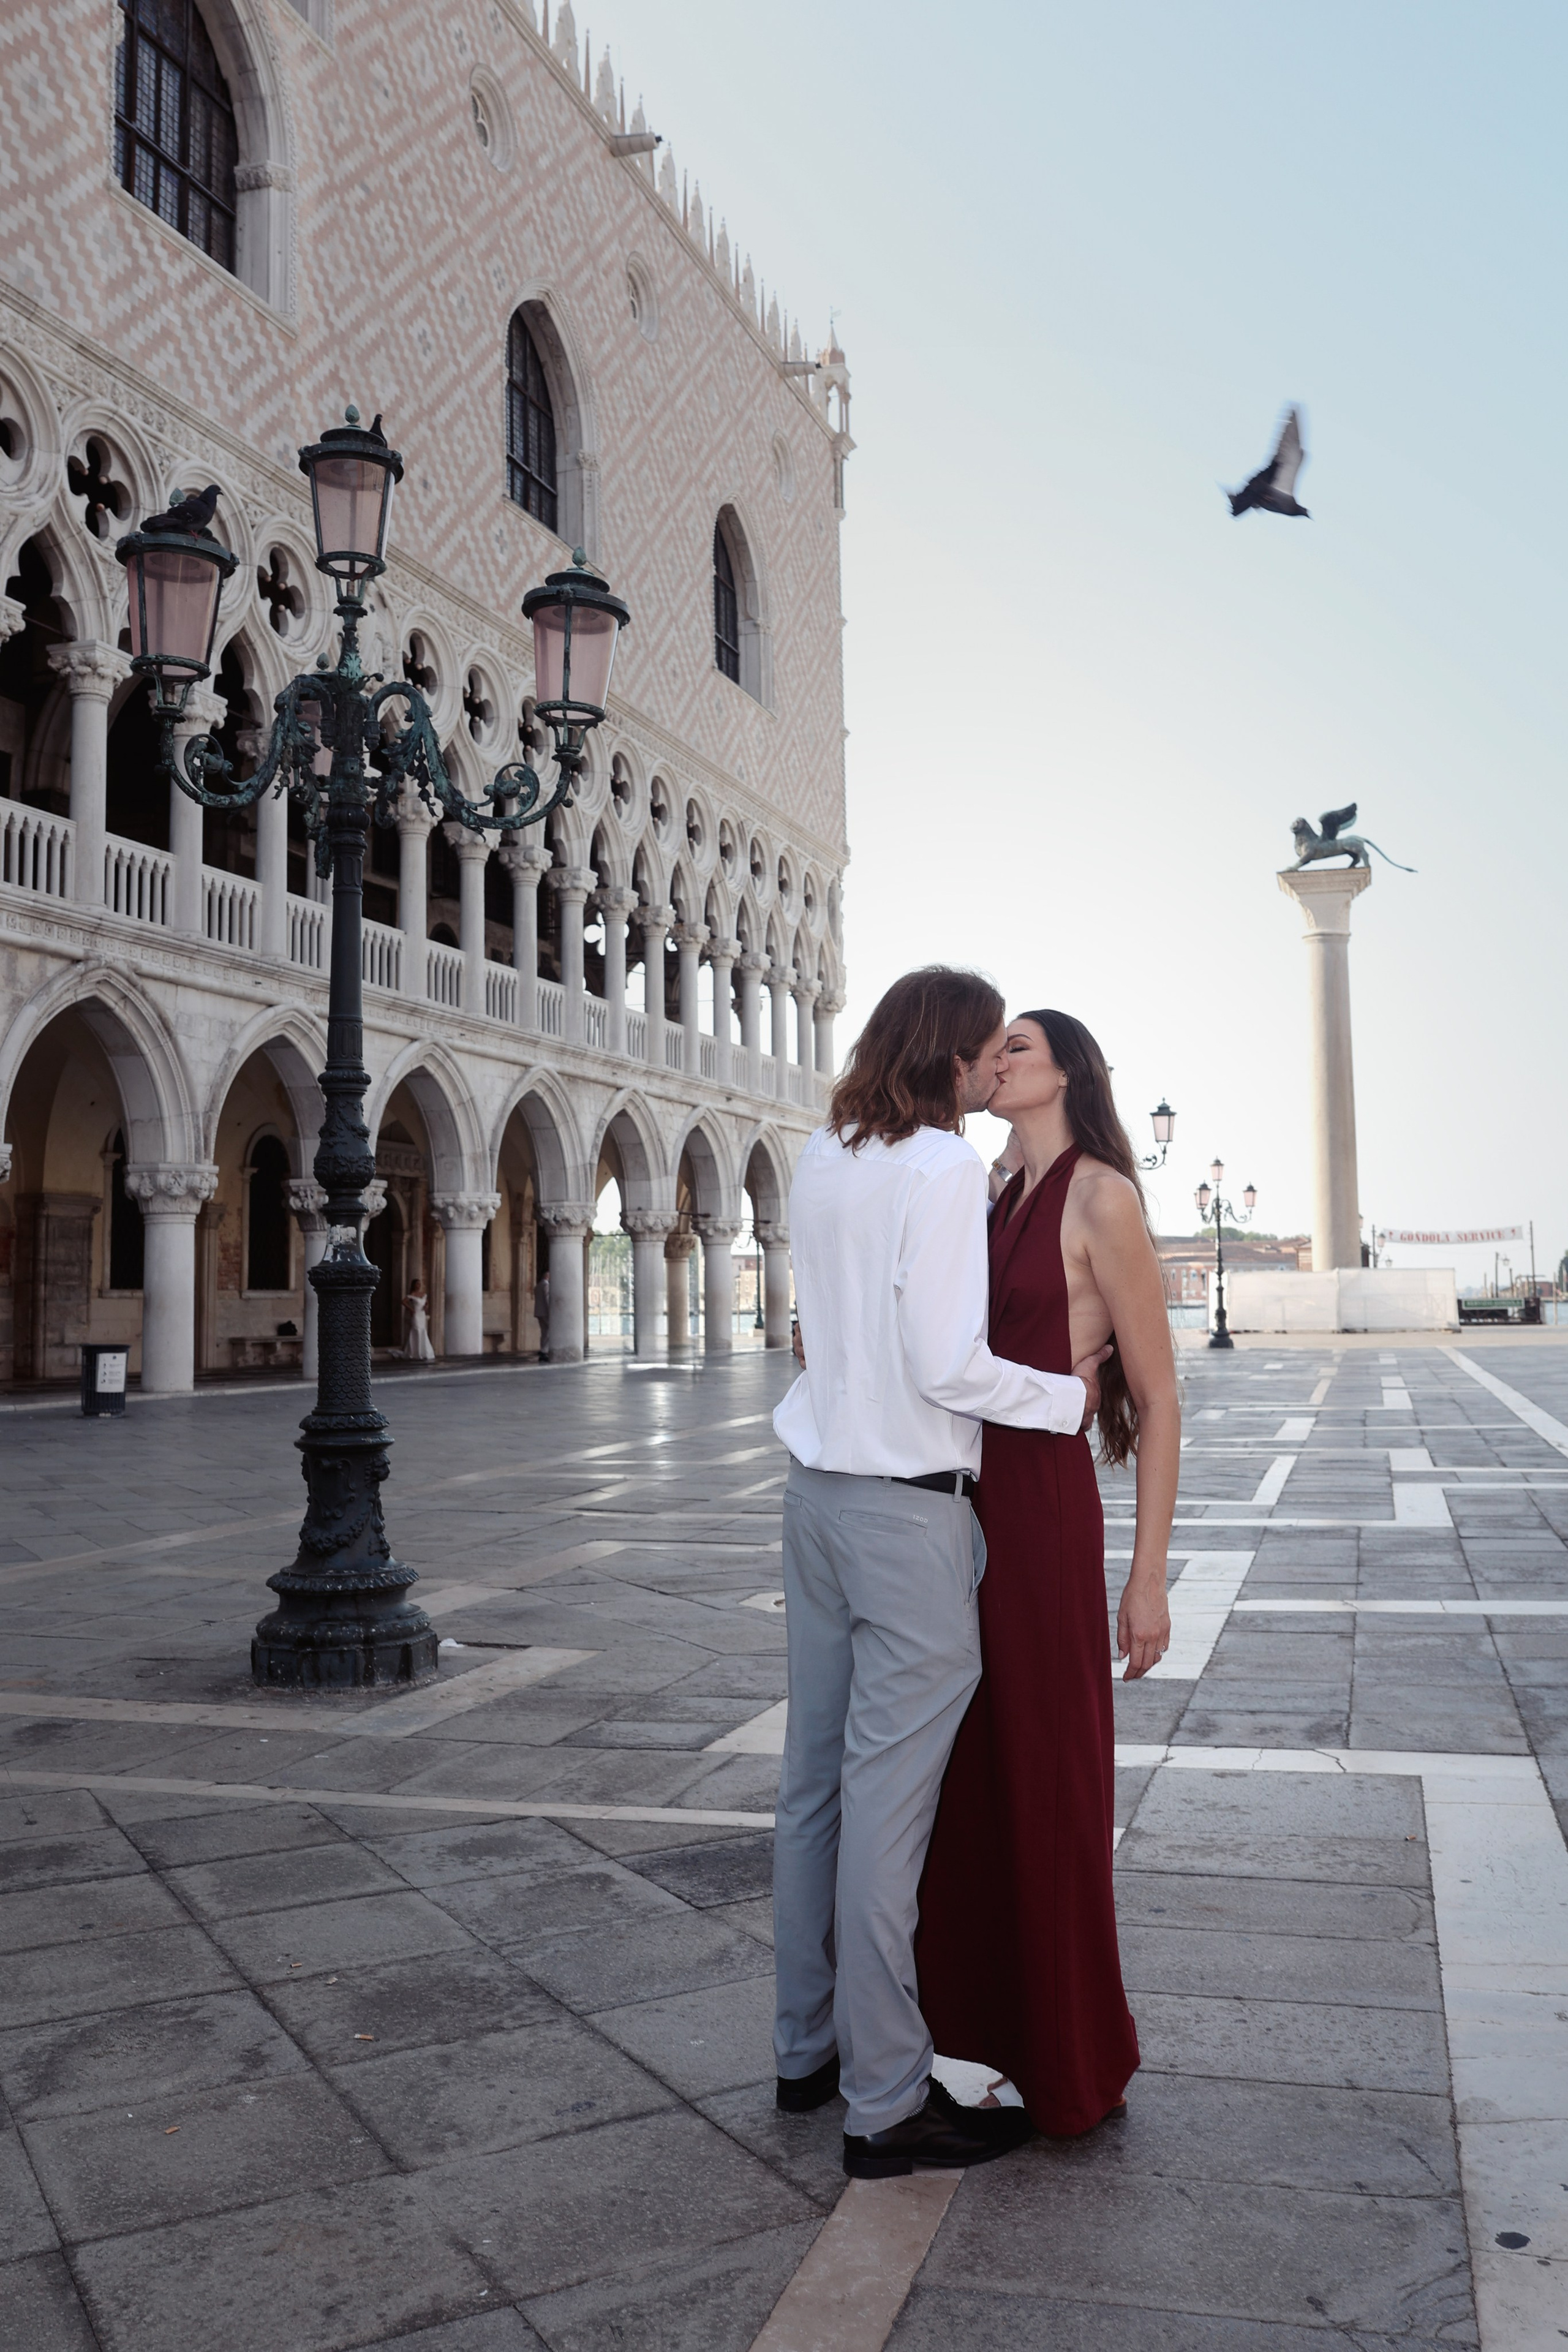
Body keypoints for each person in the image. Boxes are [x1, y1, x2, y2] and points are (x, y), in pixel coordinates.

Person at [771, 968, 1110, 2181]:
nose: (987, 1075)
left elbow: (812, 1331)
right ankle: (880, 2104)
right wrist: (1067, 1396)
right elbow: (947, 1366)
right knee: (883, 1809)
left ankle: (801, 2049)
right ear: (948, 1054)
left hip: (810, 1500)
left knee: (811, 1786)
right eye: (980, 1052)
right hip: (905, 1518)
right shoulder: (940, 1169)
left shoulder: (823, 1151)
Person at [915, 1008, 1178, 2135]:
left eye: (1019, 1044)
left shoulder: (1100, 1195)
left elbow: (1160, 1400)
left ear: (1067, 1068)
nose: (998, 1056)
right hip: (954, 1503)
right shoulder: (983, 1189)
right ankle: (973, 2040)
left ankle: (1067, 2061)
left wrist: (1149, 1575)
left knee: (1048, 1776)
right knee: (967, 1778)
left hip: (1039, 1511)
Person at [403, 1277, 435, 1363]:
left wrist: (426, 1306)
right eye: (417, 1284)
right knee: (416, 1330)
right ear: (414, 1285)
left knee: (422, 1331)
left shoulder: (423, 1294)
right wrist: (411, 1309)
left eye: (420, 1284)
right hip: (416, 1314)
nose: (419, 1286)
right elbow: (404, 1302)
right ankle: (414, 1352)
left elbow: (427, 1303)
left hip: (422, 1314)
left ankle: (424, 1352)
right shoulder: (412, 1294)